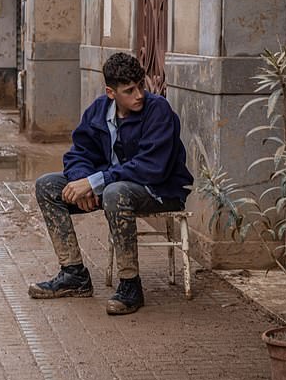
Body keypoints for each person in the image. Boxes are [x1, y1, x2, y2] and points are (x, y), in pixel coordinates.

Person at [28, 52, 193, 315]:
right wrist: (81, 181)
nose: (139, 94)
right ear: (111, 92)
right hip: (112, 187)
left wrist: (96, 182)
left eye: (141, 86)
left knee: (115, 191)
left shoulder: (158, 110)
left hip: (160, 189)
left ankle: (130, 285)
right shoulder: (97, 111)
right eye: (129, 90)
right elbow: (79, 153)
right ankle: (74, 275)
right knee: (47, 185)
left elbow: (152, 167)